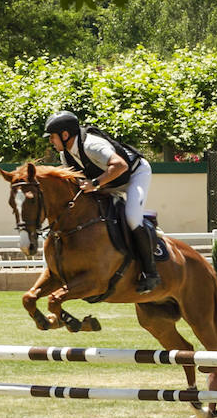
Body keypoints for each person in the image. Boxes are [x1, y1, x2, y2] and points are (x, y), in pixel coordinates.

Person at [44, 110, 159, 294]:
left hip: (134, 175)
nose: (50, 141)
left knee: (131, 217)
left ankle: (151, 273)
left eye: (52, 137)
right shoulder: (65, 155)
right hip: (110, 181)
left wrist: (95, 183)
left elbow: (120, 165)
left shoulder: (92, 145)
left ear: (65, 135)